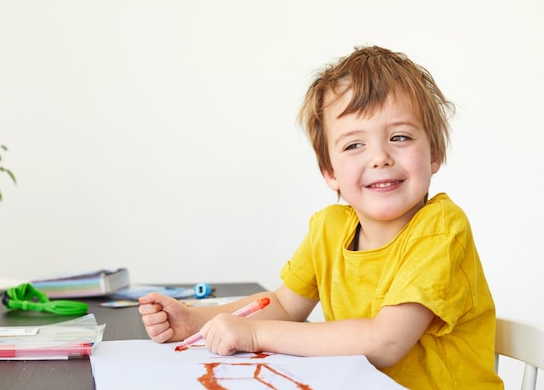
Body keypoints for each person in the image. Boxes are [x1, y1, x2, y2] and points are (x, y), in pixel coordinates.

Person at [138, 45, 503, 389]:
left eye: (401, 137)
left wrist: (254, 334)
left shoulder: (439, 229)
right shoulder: (329, 228)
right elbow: (282, 306)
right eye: (354, 144)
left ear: (435, 153)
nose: (379, 157)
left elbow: (385, 341)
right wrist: (196, 321)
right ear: (330, 171)